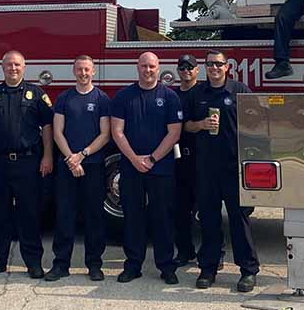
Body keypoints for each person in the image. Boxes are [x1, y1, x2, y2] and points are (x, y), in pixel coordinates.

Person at [0, 51, 54, 278]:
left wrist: (48, 156)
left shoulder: (36, 94)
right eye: (9, 65)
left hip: (28, 162)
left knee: (30, 214)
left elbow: (47, 127)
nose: (13, 68)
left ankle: (33, 263)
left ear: (24, 67)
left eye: (17, 64)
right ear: (2, 67)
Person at [183, 50, 260, 292]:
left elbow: (257, 122)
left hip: (234, 166)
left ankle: (248, 270)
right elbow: (186, 126)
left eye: (219, 64)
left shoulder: (240, 91)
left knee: (239, 219)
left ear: (227, 67)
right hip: (206, 167)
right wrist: (202, 124)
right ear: (205, 67)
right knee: (208, 219)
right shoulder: (197, 93)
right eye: (210, 64)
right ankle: (208, 268)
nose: (214, 68)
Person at [110, 52, 183, 285]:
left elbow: (174, 133)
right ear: (137, 67)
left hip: (160, 168)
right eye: (144, 66)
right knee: (133, 217)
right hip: (131, 168)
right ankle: (133, 265)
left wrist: (151, 159)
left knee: (162, 217)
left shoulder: (170, 97)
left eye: (152, 66)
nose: (148, 70)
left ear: (159, 68)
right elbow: (117, 131)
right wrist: (133, 159)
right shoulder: (123, 96)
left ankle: (166, 266)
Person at [46, 55, 112, 282]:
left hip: (92, 165)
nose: (83, 73)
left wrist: (82, 155)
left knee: (94, 216)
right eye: (79, 70)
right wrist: (71, 159)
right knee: (64, 215)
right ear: (73, 71)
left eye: (87, 70)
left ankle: (94, 264)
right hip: (68, 166)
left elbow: (105, 134)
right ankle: (60, 264)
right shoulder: (64, 98)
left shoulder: (102, 98)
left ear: (93, 71)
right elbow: (57, 132)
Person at [172, 54, 201, 266]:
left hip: (202, 159)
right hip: (178, 158)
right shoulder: (172, 96)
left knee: (208, 211)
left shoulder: (204, 93)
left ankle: (214, 254)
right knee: (180, 210)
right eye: (182, 67)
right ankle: (184, 252)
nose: (186, 71)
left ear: (197, 70)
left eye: (190, 67)